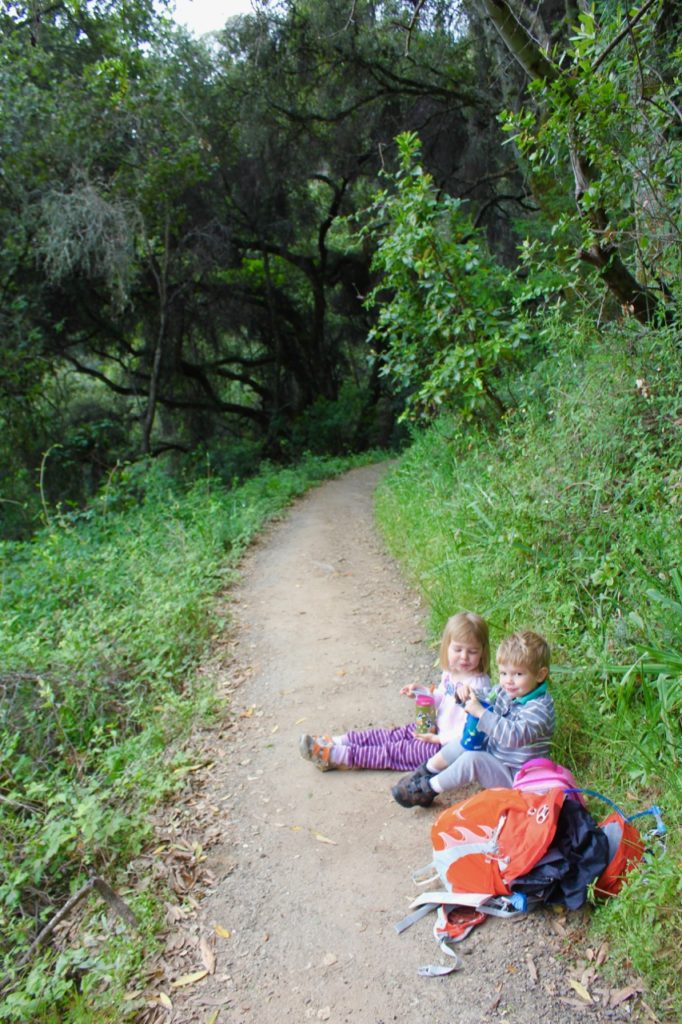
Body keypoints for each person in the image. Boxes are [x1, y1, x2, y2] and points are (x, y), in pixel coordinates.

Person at [299, 612, 492, 772]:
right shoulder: (452, 672)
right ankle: (336, 741)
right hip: (432, 729)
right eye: (458, 649)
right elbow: (443, 698)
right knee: (390, 735)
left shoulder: (478, 686)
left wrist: (439, 739)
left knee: (393, 751)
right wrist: (424, 693)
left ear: (482, 652)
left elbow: (472, 729)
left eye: (472, 651)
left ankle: (333, 755)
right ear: (447, 647)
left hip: (445, 748)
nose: (464, 657)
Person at [391, 629, 554, 807]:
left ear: (540, 674)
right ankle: (425, 771)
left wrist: (482, 713)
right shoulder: (507, 691)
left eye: (518, 674)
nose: (508, 681)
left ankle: (427, 789)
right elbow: (487, 696)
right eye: (503, 673)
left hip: (515, 775)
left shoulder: (539, 708)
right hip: (495, 757)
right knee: (465, 741)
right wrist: (467, 695)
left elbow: (515, 735)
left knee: (472, 758)